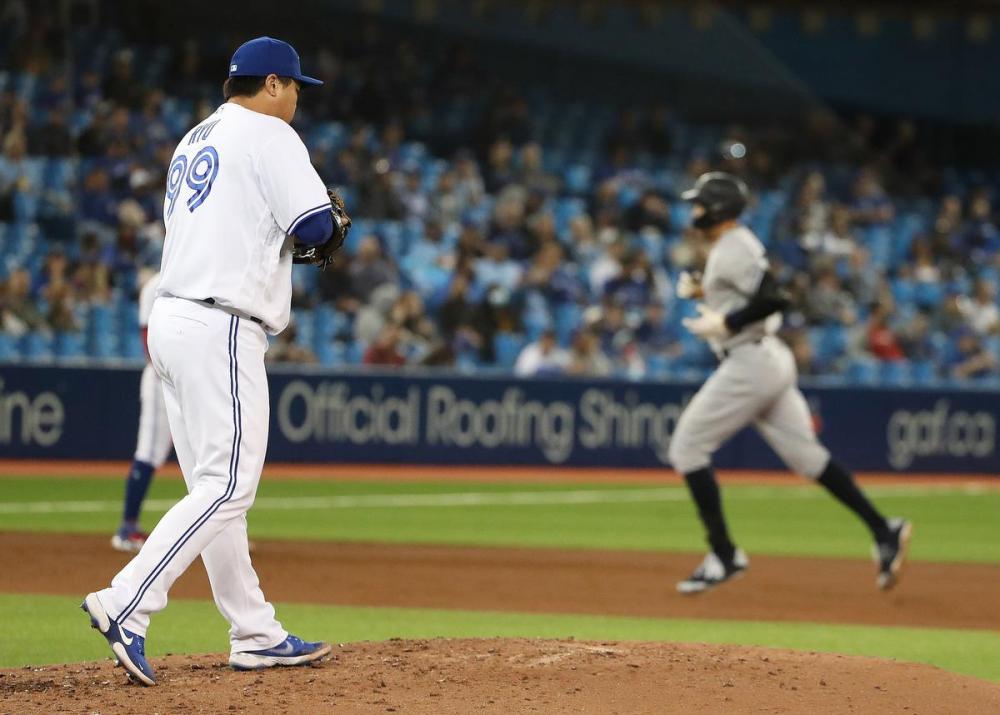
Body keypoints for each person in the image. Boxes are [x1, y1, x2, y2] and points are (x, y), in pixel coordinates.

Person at [82, 37, 348, 685]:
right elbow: (317, 227)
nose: (296, 101)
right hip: (220, 322)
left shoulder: (196, 135)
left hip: (174, 319)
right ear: (274, 84)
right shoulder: (268, 132)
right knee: (228, 485)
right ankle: (127, 603)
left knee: (215, 483)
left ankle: (254, 630)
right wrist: (333, 227)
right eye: (294, 88)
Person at [669, 172, 911, 595]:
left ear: (719, 209)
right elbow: (755, 296)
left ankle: (724, 555)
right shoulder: (734, 244)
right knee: (808, 459)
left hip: (750, 364)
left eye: (700, 203)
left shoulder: (731, 249)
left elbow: (777, 297)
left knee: (686, 448)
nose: (694, 211)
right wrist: (707, 298)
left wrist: (726, 320)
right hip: (767, 358)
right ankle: (883, 529)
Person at [111, 270, 173, 553]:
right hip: (162, 380)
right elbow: (149, 343)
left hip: (194, 381)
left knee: (206, 459)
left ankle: (220, 539)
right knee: (149, 453)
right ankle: (127, 528)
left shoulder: (200, 274)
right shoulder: (154, 285)